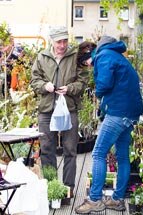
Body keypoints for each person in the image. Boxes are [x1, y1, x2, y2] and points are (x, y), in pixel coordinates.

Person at [75, 36, 143, 214]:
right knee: (122, 156)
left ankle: (95, 199)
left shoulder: (103, 56)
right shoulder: (115, 55)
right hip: (129, 112)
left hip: (119, 113)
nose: (90, 67)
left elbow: (104, 85)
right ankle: (117, 199)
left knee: (98, 153)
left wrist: (98, 93)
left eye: (87, 64)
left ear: (87, 54)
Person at [30, 26, 87, 202]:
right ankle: (51, 190)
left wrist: (69, 89)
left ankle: (68, 191)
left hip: (69, 109)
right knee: (47, 150)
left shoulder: (75, 57)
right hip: (47, 110)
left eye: (65, 41)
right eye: (59, 42)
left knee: (70, 150)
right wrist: (44, 86)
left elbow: (83, 81)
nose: (62, 45)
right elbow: (34, 80)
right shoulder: (42, 56)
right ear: (51, 41)